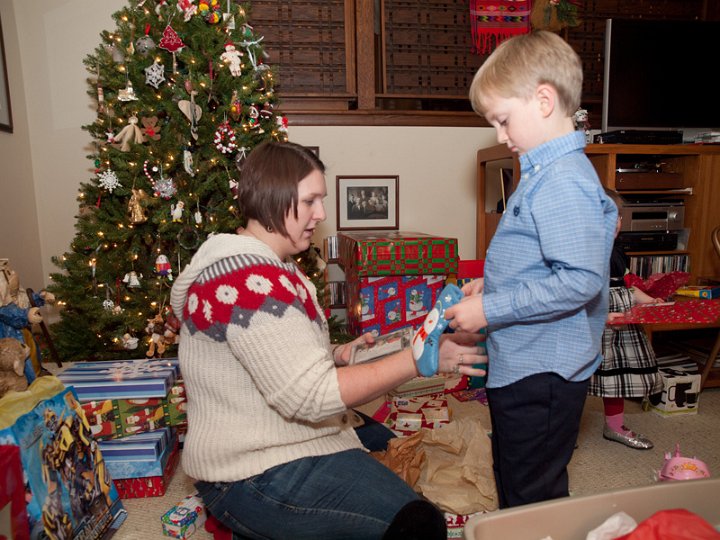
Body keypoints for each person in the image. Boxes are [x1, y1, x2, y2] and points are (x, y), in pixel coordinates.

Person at [170, 141, 485, 539]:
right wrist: (417, 357)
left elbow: (269, 352)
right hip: (247, 472)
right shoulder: (247, 279)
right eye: (310, 201)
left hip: (279, 432)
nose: (320, 214)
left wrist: (335, 355)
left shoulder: (269, 264)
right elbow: (310, 397)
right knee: (419, 525)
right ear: (273, 198)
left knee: (390, 445)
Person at [443, 31, 618, 508]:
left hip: (543, 372)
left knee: (532, 490)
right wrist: (494, 285)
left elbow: (579, 281)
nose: (500, 136)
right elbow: (542, 259)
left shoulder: (562, 180)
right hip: (527, 362)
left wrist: (491, 307)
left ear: (543, 100)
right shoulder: (543, 173)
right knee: (517, 473)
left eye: (503, 121)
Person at [588, 188, 663, 449]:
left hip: (622, 323)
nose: (616, 222)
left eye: (618, 216)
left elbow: (627, 287)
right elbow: (580, 292)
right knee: (578, 378)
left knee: (615, 377)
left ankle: (615, 425)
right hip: (595, 323)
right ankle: (564, 430)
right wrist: (601, 314)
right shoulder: (587, 253)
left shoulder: (618, 251)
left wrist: (649, 300)